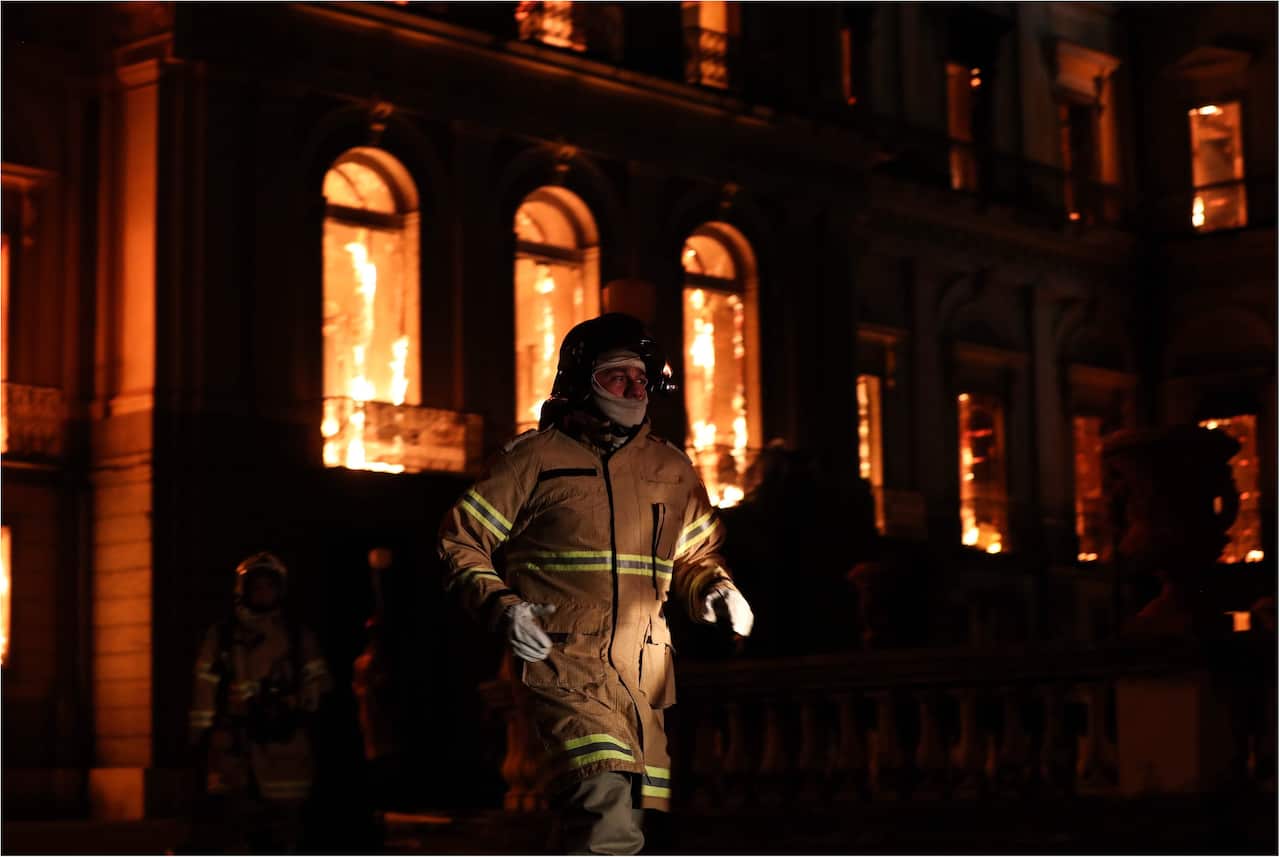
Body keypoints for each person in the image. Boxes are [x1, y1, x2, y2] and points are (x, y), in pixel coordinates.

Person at [439, 313, 754, 855]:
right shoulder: (533, 460)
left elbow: (696, 553)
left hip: (645, 681)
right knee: (607, 816)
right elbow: (459, 542)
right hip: (563, 668)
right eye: (617, 375)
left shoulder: (672, 468)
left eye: (641, 377)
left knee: (607, 825)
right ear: (580, 381)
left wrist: (713, 587)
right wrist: (503, 608)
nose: (635, 388)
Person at [188, 552, 332, 854]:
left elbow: (320, 681)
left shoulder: (296, 635)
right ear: (243, 589)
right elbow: (203, 688)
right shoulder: (223, 636)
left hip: (285, 744)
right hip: (233, 744)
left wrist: (293, 701)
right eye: (257, 586)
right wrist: (204, 735)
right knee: (232, 825)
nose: (263, 592)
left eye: (270, 586)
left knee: (286, 828)